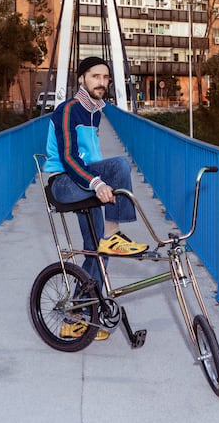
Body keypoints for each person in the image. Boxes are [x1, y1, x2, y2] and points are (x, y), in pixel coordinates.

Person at [45, 56, 149, 340]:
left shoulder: (95, 112)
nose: (101, 82)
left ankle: (78, 315)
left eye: (105, 78)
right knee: (119, 166)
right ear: (81, 79)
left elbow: (90, 159)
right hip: (64, 183)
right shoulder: (68, 110)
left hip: (84, 181)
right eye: (95, 77)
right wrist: (96, 182)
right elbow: (68, 157)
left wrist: (97, 180)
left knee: (97, 248)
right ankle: (113, 235)